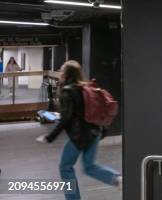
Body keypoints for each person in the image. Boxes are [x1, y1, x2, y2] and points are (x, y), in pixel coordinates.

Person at [35, 60, 121, 200]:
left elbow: (67, 117)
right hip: (95, 132)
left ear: (66, 74)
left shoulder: (68, 91)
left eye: (62, 71)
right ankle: (116, 179)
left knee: (65, 167)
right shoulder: (86, 88)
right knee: (89, 166)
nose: (61, 73)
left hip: (79, 135)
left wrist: (50, 137)